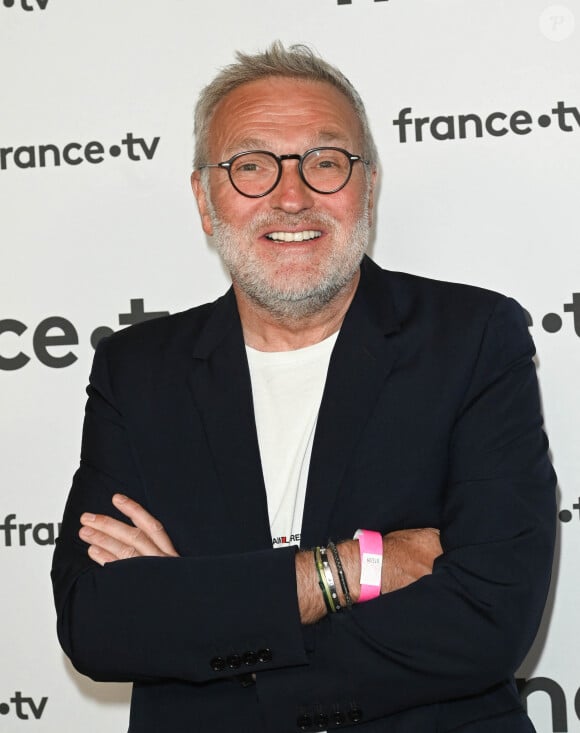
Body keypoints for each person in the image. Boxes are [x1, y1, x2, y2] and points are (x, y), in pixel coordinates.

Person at [51, 42, 556, 733]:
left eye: (325, 162)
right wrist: (349, 568)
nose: (291, 196)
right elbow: (99, 621)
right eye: (251, 165)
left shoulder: (471, 338)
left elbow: (490, 616)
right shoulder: (138, 370)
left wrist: (207, 620)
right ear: (204, 199)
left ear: (368, 188)